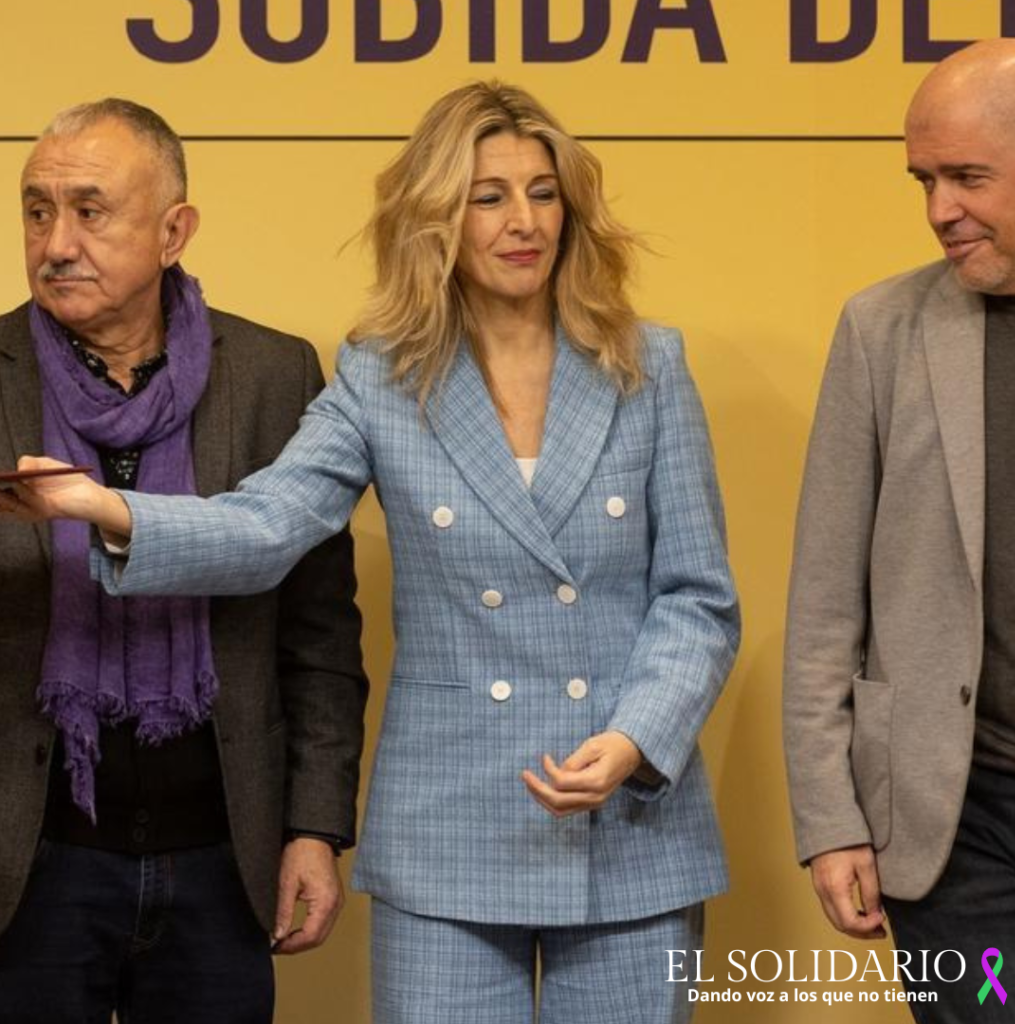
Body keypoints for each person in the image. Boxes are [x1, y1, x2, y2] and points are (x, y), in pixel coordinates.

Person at [3, 82, 739, 1024]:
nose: (525, 222)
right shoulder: (380, 376)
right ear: (437, 218)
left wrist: (637, 735)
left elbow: (698, 597)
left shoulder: (651, 364)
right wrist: (113, 510)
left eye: (544, 193)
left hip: (633, 817)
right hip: (450, 826)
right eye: (488, 196)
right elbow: (268, 524)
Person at [0, 99, 367, 1023]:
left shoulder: (276, 375)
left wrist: (315, 829)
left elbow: (318, 633)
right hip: (26, 862)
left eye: (90, 210)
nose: (55, 242)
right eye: (37, 210)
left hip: (223, 856)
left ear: (174, 231)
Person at [784, 38, 1015, 1020]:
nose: (938, 210)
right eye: (924, 179)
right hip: (953, 824)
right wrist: (829, 820)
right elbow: (822, 603)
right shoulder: (880, 329)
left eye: (968, 176)